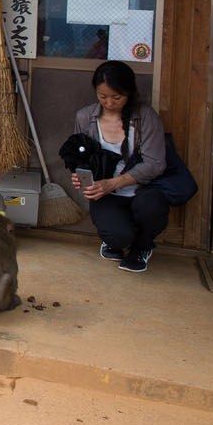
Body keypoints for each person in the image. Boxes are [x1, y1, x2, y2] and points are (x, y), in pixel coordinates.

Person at [69, 61, 169, 273]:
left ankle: (142, 246)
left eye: (117, 97)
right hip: (107, 195)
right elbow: (79, 157)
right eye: (102, 96)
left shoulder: (145, 117)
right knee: (117, 236)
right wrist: (79, 175)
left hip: (142, 190)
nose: (109, 102)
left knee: (152, 206)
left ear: (129, 93)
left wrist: (114, 183)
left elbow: (155, 163)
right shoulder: (85, 117)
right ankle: (117, 238)